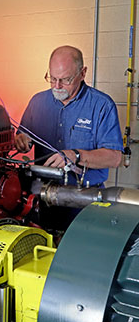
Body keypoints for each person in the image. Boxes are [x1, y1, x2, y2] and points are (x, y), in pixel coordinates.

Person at [15, 46, 123, 229]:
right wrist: (21, 141)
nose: (57, 86)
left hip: (84, 202)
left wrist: (76, 155)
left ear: (82, 73)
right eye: (52, 78)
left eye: (65, 80)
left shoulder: (102, 105)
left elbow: (115, 158)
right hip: (42, 197)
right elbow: (22, 137)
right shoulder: (37, 102)